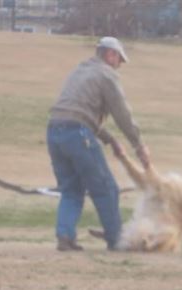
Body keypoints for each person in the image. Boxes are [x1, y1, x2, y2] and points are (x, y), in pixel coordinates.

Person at [47, 36, 151, 251]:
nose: (119, 65)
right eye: (119, 59)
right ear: (110, 54)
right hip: (78, 135)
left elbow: (77, 112)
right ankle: (116, 240)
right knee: (106, 188)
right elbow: (122, 114)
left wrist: (110, 139)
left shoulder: (80, 70)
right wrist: (139, 145)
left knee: (71, 190)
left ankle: (65, 237)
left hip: (54, 132)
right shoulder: (106, 74)